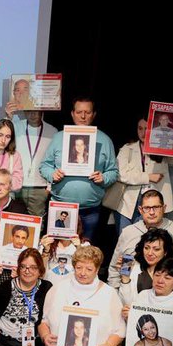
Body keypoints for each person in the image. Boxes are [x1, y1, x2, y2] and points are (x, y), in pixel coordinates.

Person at [39, 98, 118, 240]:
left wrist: (104, 178)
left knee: (86, 254)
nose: (83, 116)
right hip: (61, 207)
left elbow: (113, 171)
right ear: (72, 114)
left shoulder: (104, 140)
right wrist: (52, 174)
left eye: (87, 112)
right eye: (79, 112)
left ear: (93, 114)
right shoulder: (59, 137)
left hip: (90, 210)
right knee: (58, 253)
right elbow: (44, 166)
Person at [105, 117, 173, 231]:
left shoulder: (163, 148)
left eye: (147, 128)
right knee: (126, 241)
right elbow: (121, 174)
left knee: (147, 240)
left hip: (152, 205)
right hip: (126, 205)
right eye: (140, 128)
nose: (143, 132)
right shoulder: (127, 149)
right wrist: (148, 177)